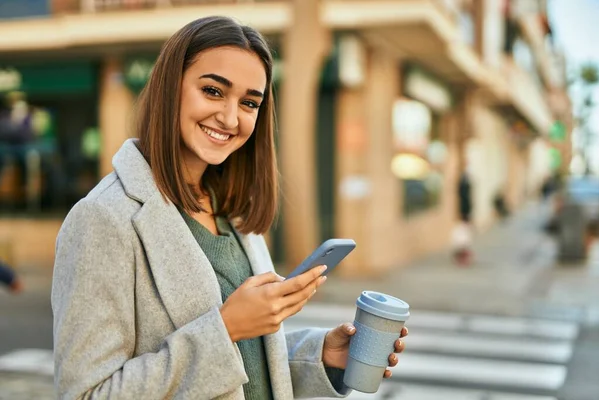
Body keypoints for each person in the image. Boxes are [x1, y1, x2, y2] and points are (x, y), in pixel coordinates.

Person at [51, 16, 407, 399]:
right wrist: (225, 328)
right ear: (170, 88)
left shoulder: (231, 212)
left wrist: (319, 355)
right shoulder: (103, 219)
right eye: (213, 91)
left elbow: (243, 365)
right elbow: (87, 393)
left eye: (249, 102)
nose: (230, 117)